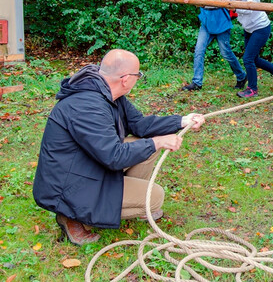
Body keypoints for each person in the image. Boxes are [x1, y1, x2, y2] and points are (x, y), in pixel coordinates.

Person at [32, 49, 205, 245]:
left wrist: (182, 121)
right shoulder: (87, 106)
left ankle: (121, 197)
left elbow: (140, 124)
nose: (139, 78)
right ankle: (71, 215)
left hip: (88, 165)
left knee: (148, 146)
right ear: (125, 79)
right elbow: (113, 156)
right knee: (155, 197)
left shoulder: (108, 93)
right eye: (138, 75)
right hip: (70, 186)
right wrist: (158, 141)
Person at [164, 0, 247, 91]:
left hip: (220, 21)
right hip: (207, 22)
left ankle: (241, 76)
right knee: (199, 50)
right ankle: (197, 82)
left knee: (226, 53)